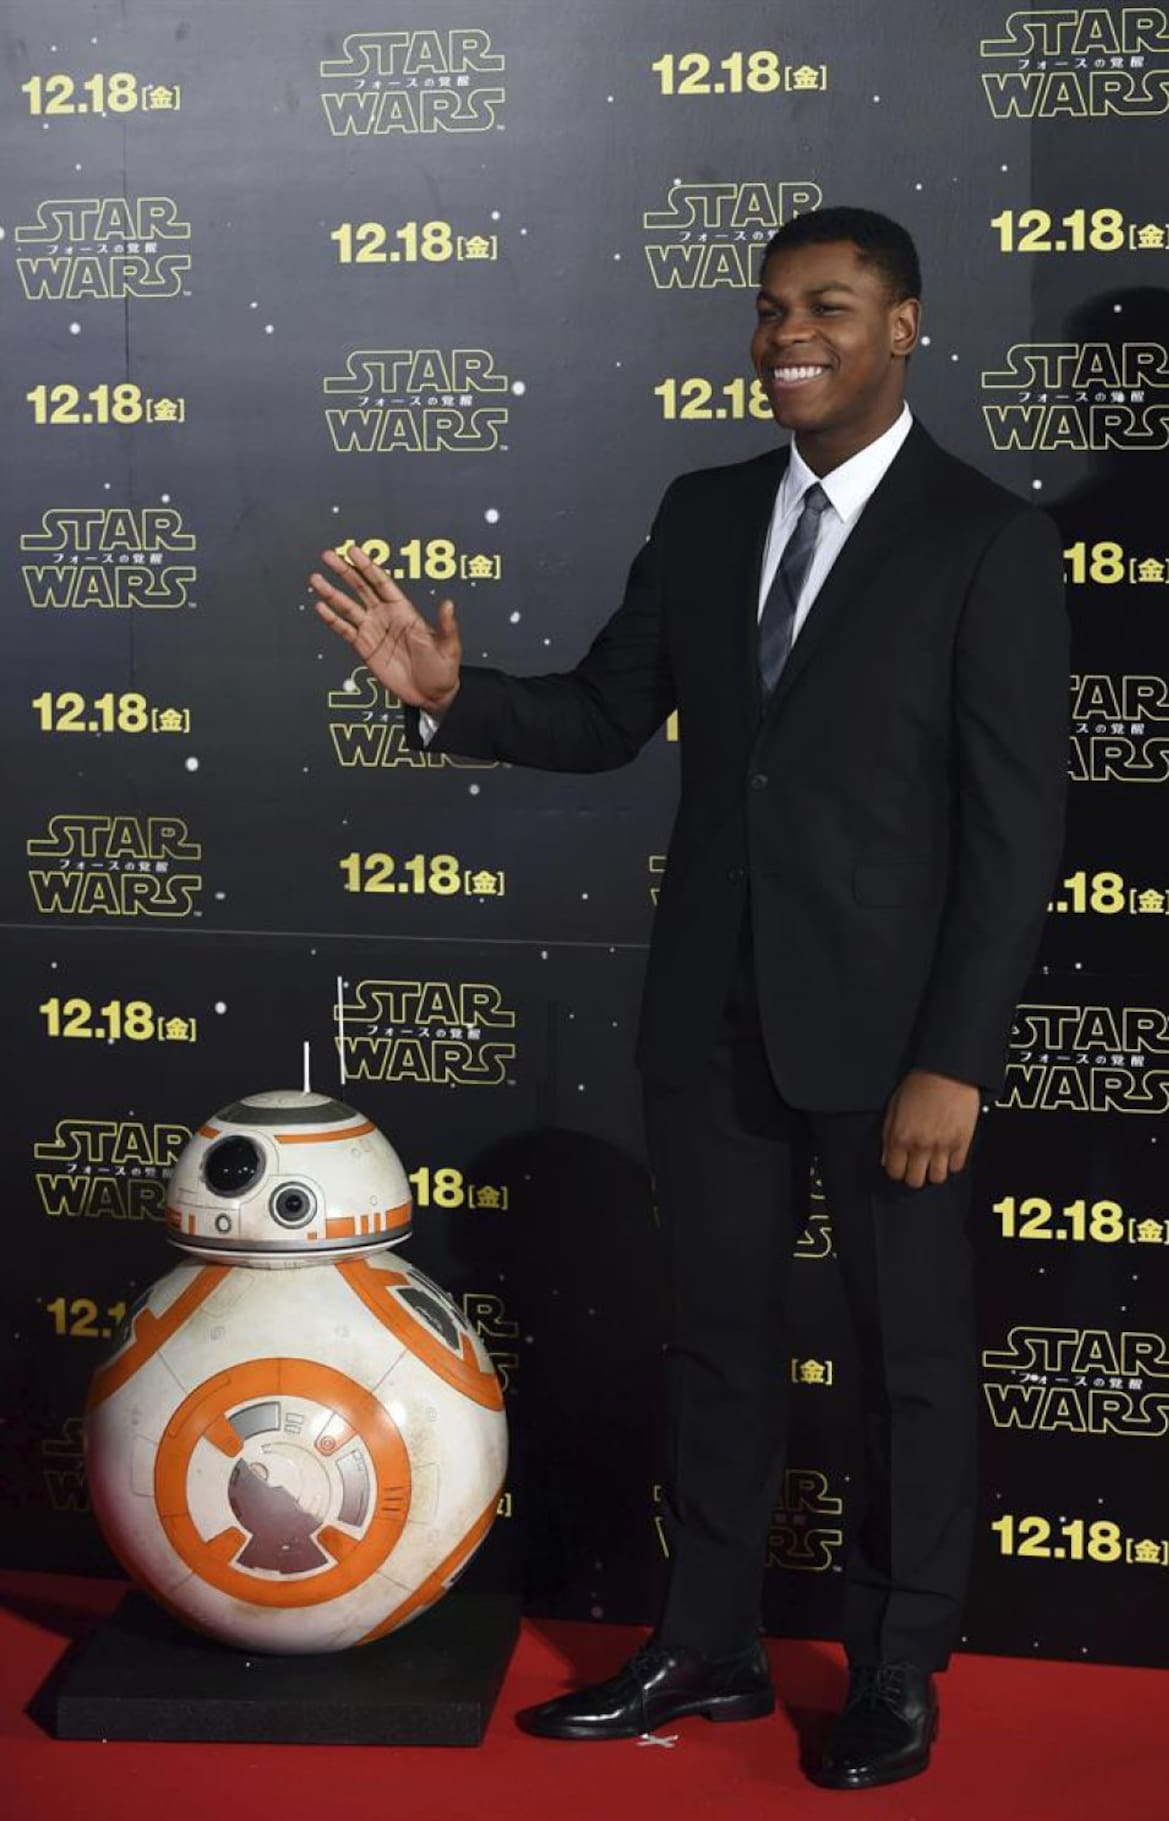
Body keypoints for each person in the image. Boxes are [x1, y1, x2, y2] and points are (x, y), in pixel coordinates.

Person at [309, 206, 1069, 1791]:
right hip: (709, 1020)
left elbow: (1016, 834)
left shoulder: (984, 538)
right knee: (719, 1342)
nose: (790, 336)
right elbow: (605, 715)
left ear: (906, 326)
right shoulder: (707, 510)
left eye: (829, 307)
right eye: (773, 308)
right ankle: (709, 1640)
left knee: (908, 1357)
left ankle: (899, 1663)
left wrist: (955, 1058)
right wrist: (450, 698)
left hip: (891, 1044)